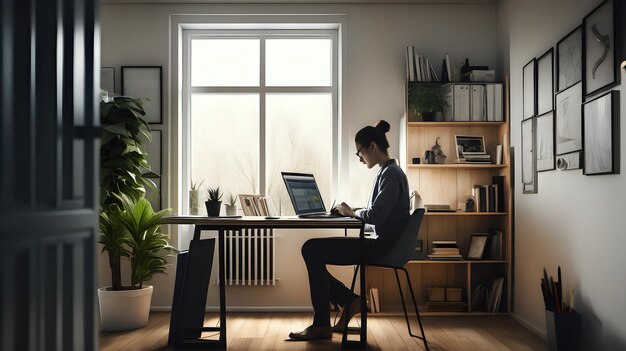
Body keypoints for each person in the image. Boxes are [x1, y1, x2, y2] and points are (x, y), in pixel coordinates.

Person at [288, 120, 410, 341]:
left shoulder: (391, 174)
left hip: (382, 248)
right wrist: (352, 210)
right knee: (312, 250)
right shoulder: (389, 171)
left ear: (372, 147)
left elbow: (375, 216)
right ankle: (348, 301)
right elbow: (376, 212)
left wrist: (352, 213)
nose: (360, 158)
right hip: (384, 244)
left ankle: (324, 323)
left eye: (359, 152)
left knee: (311, 248)